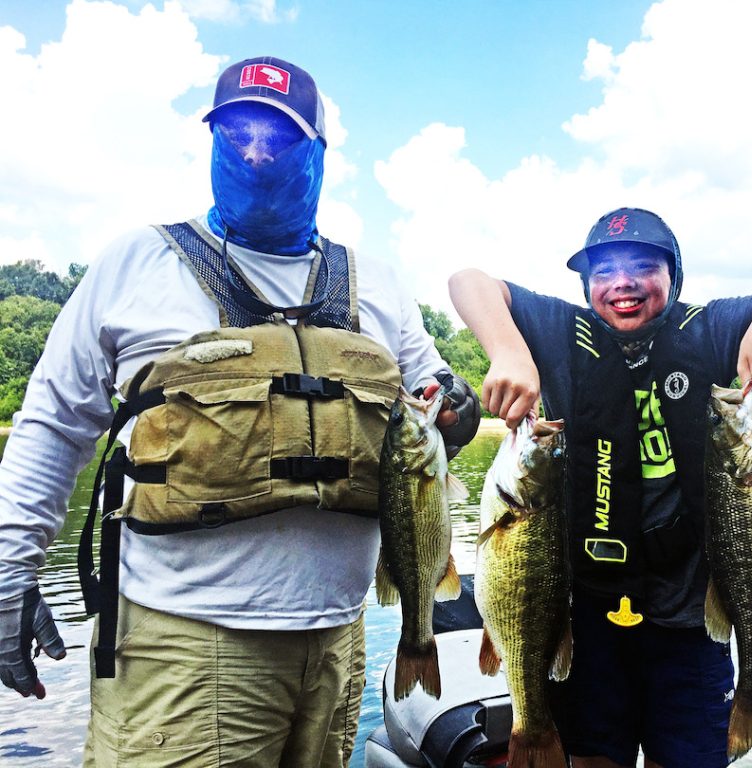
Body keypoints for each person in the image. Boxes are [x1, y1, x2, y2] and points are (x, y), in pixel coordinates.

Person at [0, 56, 479, 767]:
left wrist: (457, 406)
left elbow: (440, 404)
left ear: (317, 152)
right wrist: (10, 574)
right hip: (180, 645)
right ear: (215, 141)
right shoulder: (136, 263)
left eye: (278, 137)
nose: (256, 153)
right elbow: (52, 423)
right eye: (238, 133)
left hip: (339, 646)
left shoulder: (377, 282)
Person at [448, 207, 752, 768]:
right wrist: (509, 350)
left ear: (673, 276)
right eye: (604, 271)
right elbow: (469, 283)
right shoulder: (562, 333)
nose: (622, 282)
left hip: (690, 617)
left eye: (642, 266)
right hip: (587, 616)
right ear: (586, 286)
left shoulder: (705, 331)